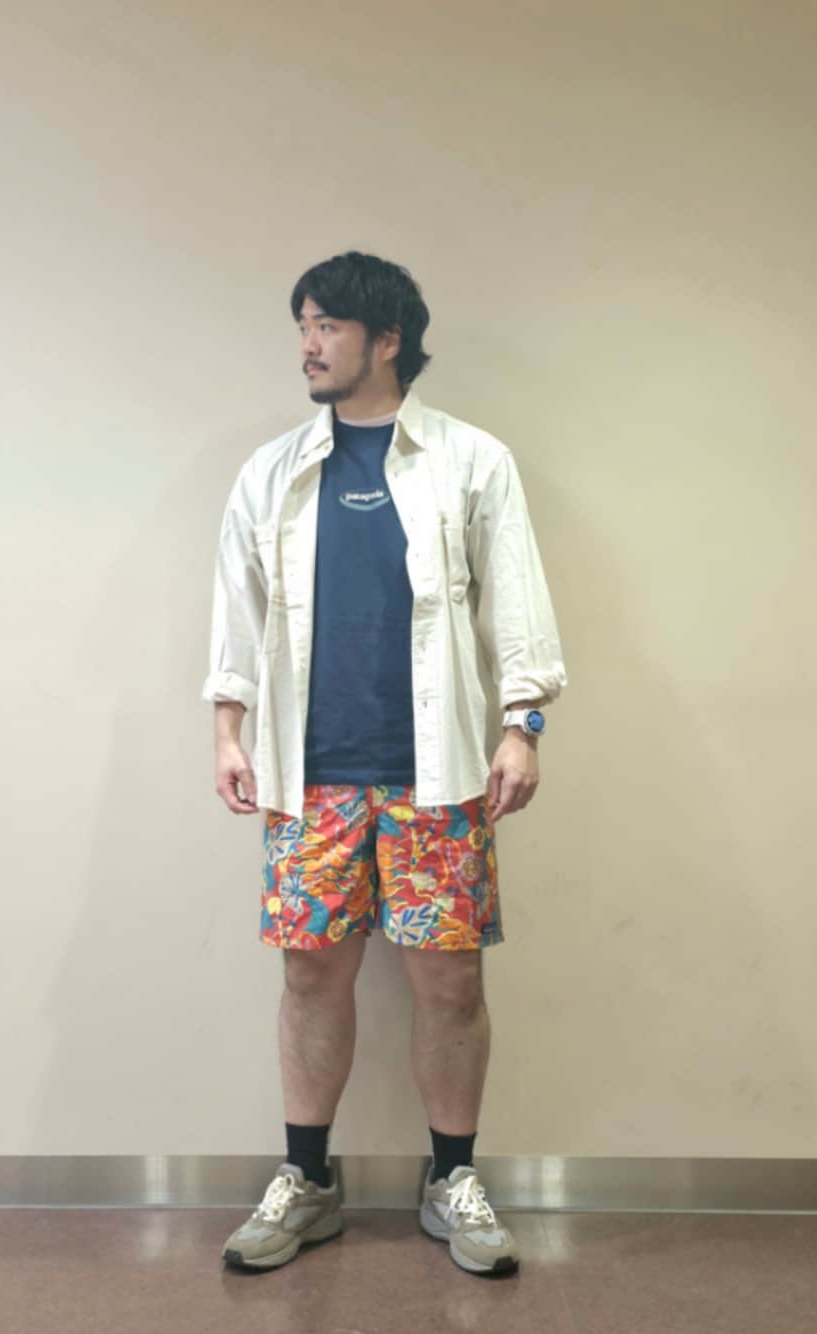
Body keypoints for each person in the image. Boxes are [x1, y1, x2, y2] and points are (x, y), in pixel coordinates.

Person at [202, 250, 568, 1276]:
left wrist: (522, 725)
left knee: (448, 979)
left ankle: (452, 1178)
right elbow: (237, 610)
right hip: (307, 777)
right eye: (302, 326)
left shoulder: (470, 460)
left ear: (388, 338)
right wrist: (227, 728)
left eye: (326, 325)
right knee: (310, 972)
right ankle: (307, 1179)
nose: (308, 345)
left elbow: (518, 603)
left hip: (438, 777)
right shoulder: (273, 471)